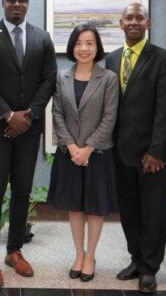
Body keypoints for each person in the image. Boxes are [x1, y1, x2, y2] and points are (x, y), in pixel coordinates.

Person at [0, 0, 57, 288]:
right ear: (3, 2)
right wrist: (8, 115)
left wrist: (28, 115)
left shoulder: (41, 37)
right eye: (12, 0)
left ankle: (14, 251)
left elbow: (49, 79)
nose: (17, 4)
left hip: (29, 130)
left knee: (22, 191)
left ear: (27, 3)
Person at [104, 2, 166, 294]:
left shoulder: (163, 59)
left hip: (150, 155)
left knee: (152, 213)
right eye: (129, 18)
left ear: (148, 23)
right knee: (129, 211)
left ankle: (150, 268)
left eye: (140, 17)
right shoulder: (111, 59)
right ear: (120, 23)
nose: (134, 22)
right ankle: (136, 258)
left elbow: (165, 109)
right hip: (119, 153)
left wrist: (158, 151)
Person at [48, 24, 118, 283]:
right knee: (74, 207)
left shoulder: (108, 78)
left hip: (97, 154)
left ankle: (92, 256)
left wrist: (88, 148)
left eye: (89, 43)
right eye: (78, 43)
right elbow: (57, 114)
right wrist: (71, 146)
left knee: (95, 209)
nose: (84, 48)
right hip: (69, 153)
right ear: (72, 47)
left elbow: (110, 117)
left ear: (97, 47)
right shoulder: (61, 76)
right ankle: (79, 253)